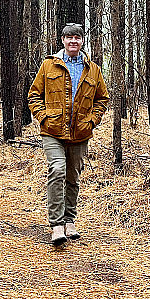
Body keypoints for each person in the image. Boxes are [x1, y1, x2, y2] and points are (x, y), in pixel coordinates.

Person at [28, 23, 109, 246]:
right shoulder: (49, 65)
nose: (73, 41)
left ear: (82, 41)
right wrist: (43, 116)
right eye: (69, 37)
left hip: (80, 133)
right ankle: (56, 225)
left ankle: (69, 221)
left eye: (77, 38)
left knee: (73, 176)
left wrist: (92, 121)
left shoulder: (92, 69)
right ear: (62, 40)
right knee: (57, 170)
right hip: (52, 131)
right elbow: (34, 94)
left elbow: (103, 99)